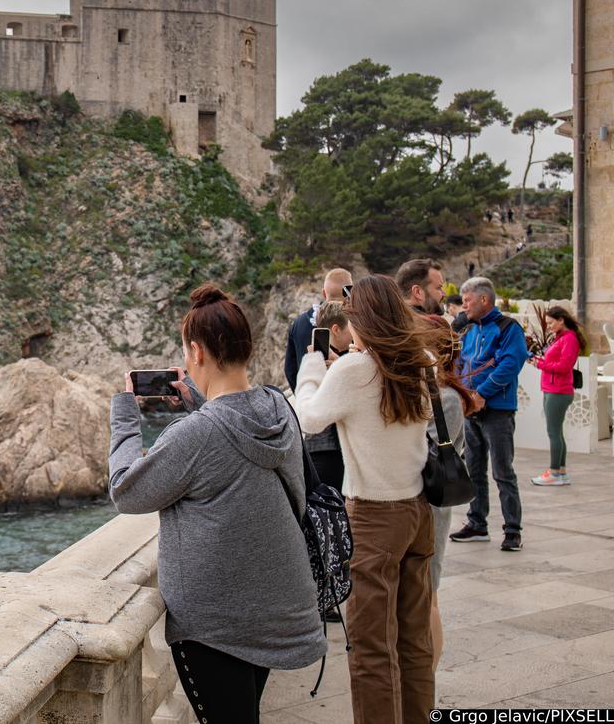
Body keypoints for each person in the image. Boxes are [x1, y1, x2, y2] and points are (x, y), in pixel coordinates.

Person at [110, 284, 325, 724]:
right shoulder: (278, 406)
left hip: (216, 625)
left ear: (196, 352)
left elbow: (126, 490)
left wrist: (125, 414)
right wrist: (196, 395)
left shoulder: (196, 435)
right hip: (274, 603)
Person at [295, 274, 436, 723]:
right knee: (414, 640)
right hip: (418, 511)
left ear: (363, 320)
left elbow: (308, 420)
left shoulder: (354, 371)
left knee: (371, 647)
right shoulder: (423, 360)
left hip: (374, 517)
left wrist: (312, 371)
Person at [450, 277, 529, 551]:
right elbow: (460, 363)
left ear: (484, 300)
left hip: (497, 412)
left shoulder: (509, 328)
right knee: (473, 470)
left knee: (503, 471)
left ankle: (512, 530)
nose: (464, 306)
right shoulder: (468, 329)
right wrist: (464, 394)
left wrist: (481, 393)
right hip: (472, 411)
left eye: (468, 300)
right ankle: (477, 523)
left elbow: (511, 363)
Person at [417, 316, 474, 670]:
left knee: (430, 596)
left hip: (434, 505)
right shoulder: (432, 392)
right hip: (421, 503)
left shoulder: (448, 398)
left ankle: (429, 675)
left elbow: (431, 451)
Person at [529, 306, 587, 486]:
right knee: (557, 432)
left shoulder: (569, 339)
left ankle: (554, 473)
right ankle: (560, 472)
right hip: (552, 389)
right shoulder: (561, 338)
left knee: (553, 432)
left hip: (558, 391)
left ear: (561, 320)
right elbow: (554, 361)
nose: (549, 326)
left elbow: (563, 367)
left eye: (552, 322)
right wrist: (538, 360)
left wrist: (540, 365)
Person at [304, 300, 352, 491]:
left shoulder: (340, 359)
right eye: (350, 326)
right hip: (328, 447)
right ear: (336, 329)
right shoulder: (336, 362)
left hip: (319, 446)